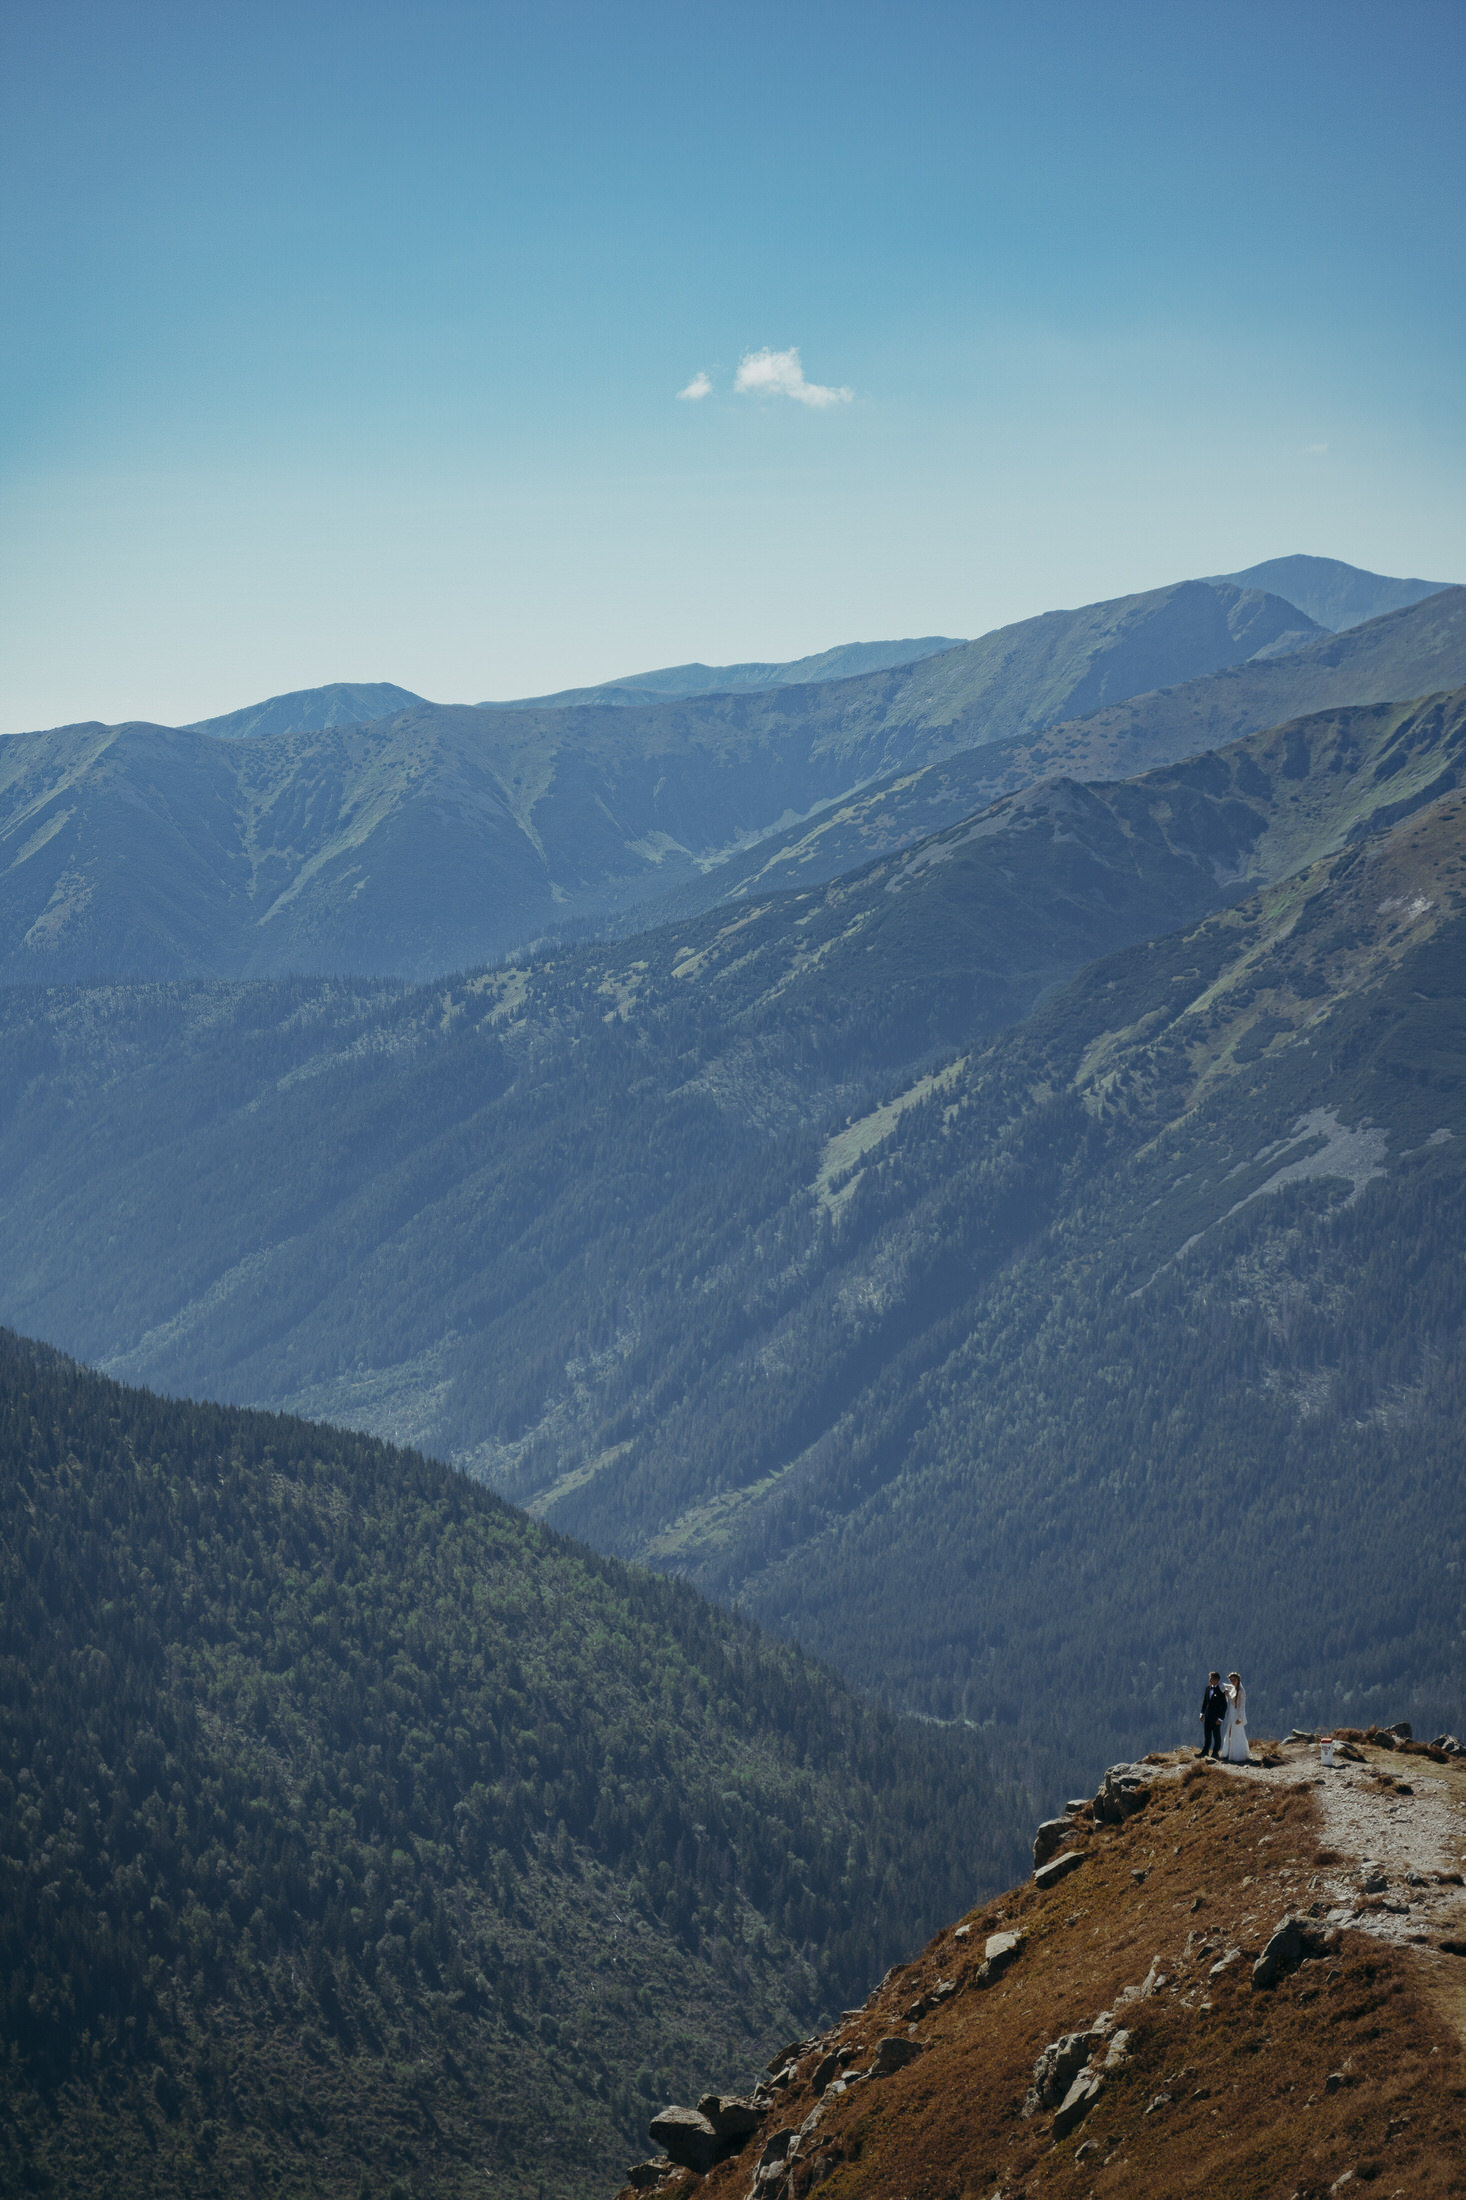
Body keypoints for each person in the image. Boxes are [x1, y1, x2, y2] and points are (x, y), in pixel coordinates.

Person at [1220, 1671, 1250, 1763]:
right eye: (1231, 1680)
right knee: (1229, 1732)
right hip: (1232, 1713)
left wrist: (1239, 1718)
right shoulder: (1232, 1688)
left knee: (1237, 1732)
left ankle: (1237, 1755)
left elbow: (1242, 1706)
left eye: (1234, 1679)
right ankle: (1229, 1752)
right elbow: (1221, 1685)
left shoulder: (1241, 1691)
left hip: (1237, 1714)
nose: (1233, 1681)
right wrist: (1225, 1691)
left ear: (1238, 1679)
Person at [1199, 1670, 1227, 1758]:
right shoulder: (1207, 1688)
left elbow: (1224, 1705)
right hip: (1207, 1716)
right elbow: (1205, 1702)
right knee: (1207, 1735)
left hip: (1216, 1717)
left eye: (1211, 1678)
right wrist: (1202, 1713)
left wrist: (1221, 1718)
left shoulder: (1221, 1690)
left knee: (1216, 1735)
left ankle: (1215, 1753)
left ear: (1216, 1680)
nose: (1209, 1680)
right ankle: (1205, 1752)